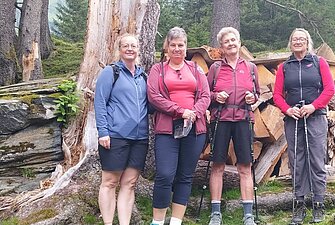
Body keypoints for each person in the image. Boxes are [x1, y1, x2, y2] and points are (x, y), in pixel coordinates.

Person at [147, 27, 210, 225]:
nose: (177, 49)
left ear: (186, 47)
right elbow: (154, 97)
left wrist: (194, 113)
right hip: (167, 129)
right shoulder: (158, 70)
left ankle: (176, 221)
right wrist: (180, 111)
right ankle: (157, 221)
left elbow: (206, 95)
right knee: (165, 174)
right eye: (173, 45)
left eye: (181, 45)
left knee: (185, 175)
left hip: (194, 128)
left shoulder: (195, 68)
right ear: (167, 47)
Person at [273, 28, 335, 224]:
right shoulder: (284, 67)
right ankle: (299, 203)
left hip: (316, 117)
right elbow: (277, 95)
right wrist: (287, 110)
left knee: (316, 160)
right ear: (290, 43)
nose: (298, 42)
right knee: (297, 161)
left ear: (308, 43)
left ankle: (318, 203)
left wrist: (313, 106)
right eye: (294, 39)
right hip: (294, 119)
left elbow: (329, 89)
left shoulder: (319, 63)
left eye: (301, 39)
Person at [207, 27, 260, 225]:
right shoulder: (216, 68)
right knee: (218, 165)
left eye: (233, 40)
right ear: (221, 47)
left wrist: (251, 97)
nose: (230, 43)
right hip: (221, 118)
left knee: (245, 166)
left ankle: (248, 215)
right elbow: (206, 94)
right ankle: (215, 213)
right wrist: (215, 96)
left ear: (239, 42)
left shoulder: (251, 67)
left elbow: (256, 93)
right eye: (226, 41)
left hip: (244, 118)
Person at [94, 33, 149, 225]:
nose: (130, 49)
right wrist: (103, 132)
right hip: (115, 135)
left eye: (133, 45)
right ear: (119, 50)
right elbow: (100, 102)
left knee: (130, 183)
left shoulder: (143, 76)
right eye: (125, 45)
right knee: (109, 182)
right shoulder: (111, 72)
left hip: (140, 137)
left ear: (138, 49)